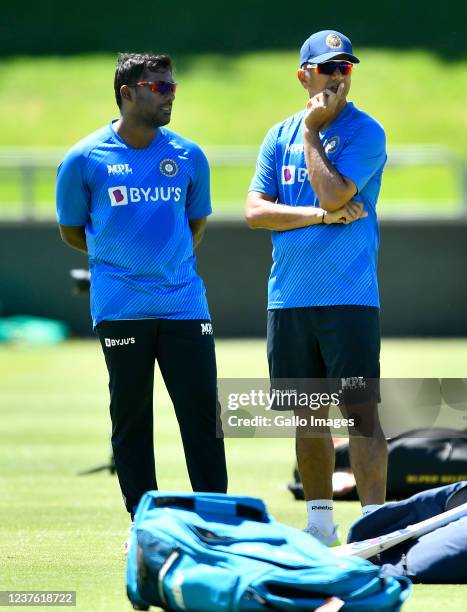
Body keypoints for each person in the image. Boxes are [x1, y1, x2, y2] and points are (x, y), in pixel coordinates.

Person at [56, 52, 227, 520]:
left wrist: (163, 264)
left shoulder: (188, 155)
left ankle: (218, 522)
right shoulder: (84, 158)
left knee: (202, 419)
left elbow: (195, 223)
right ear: (127, 94)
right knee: (131, 420)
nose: (170, 94)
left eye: (172, 86)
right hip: (120, 307)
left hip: (183, 304)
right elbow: (73, 230)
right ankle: (145, 522)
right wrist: (119, 263)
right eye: (159, 87)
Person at [245, 30, 388, 545]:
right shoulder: (274, 135)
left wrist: (311, 133)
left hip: (348, 295)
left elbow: (334, 194)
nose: (338, 78)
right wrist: (318, 218)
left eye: (345, 68)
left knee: (360, 413)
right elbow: (255, 212)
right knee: (306, 415)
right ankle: (320, 523)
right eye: (328, 68)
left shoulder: (365, 132)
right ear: (304, 74)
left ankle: (375, 526)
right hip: (289, 297)